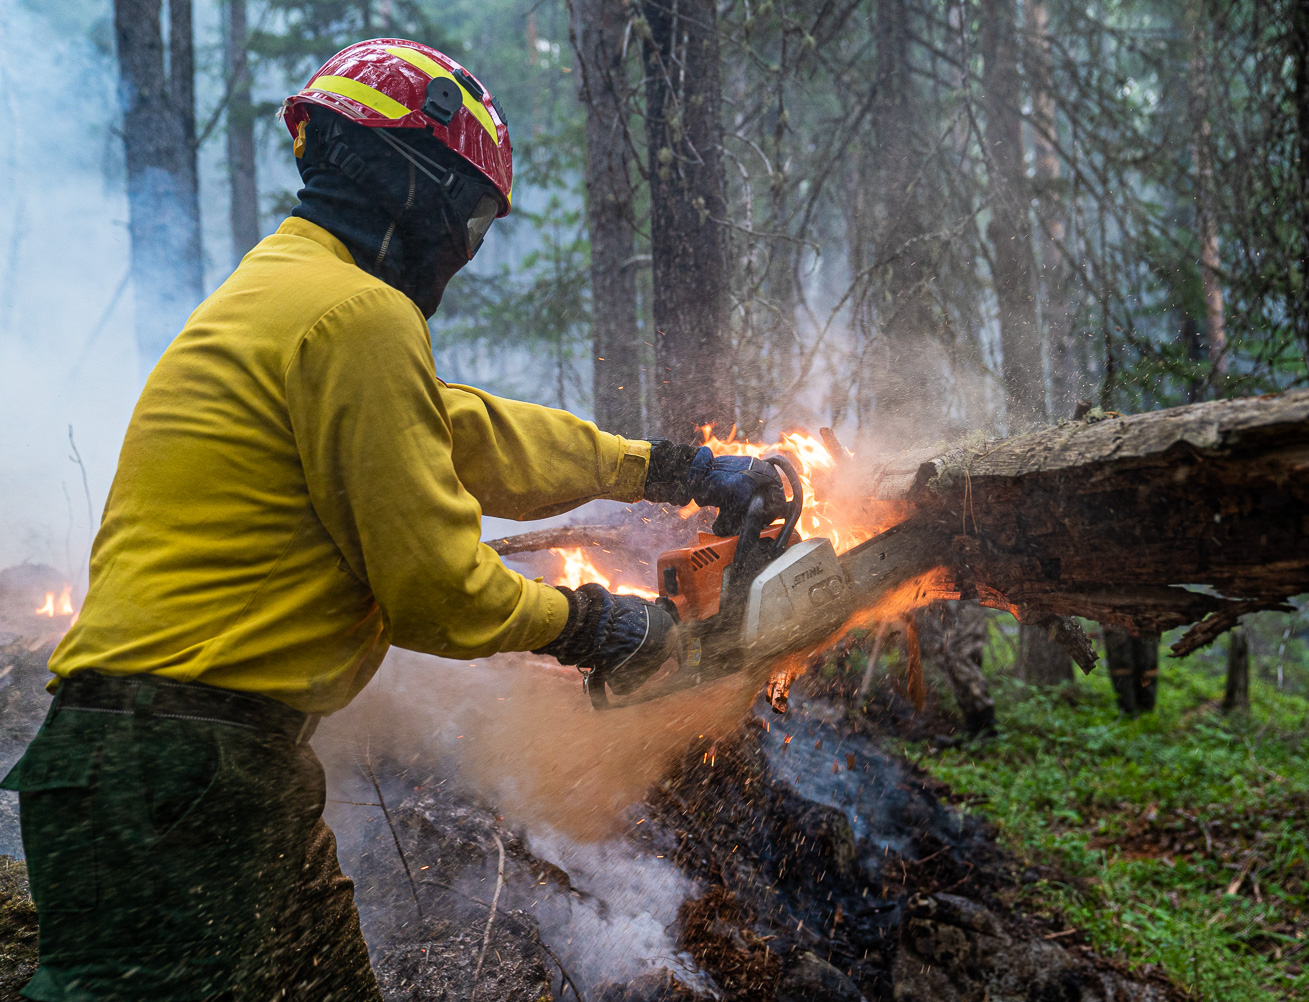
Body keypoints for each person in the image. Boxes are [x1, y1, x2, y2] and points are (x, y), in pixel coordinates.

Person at [2, 39, 785, 1001]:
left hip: (195, 764)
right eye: (471, 217)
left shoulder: (287, 295)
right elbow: (436, 593)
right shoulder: (351, 317)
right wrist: (597, 626)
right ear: (416, 187)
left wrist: (668, 468)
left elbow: (474, 435)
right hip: (176, 772)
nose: (465, 244)